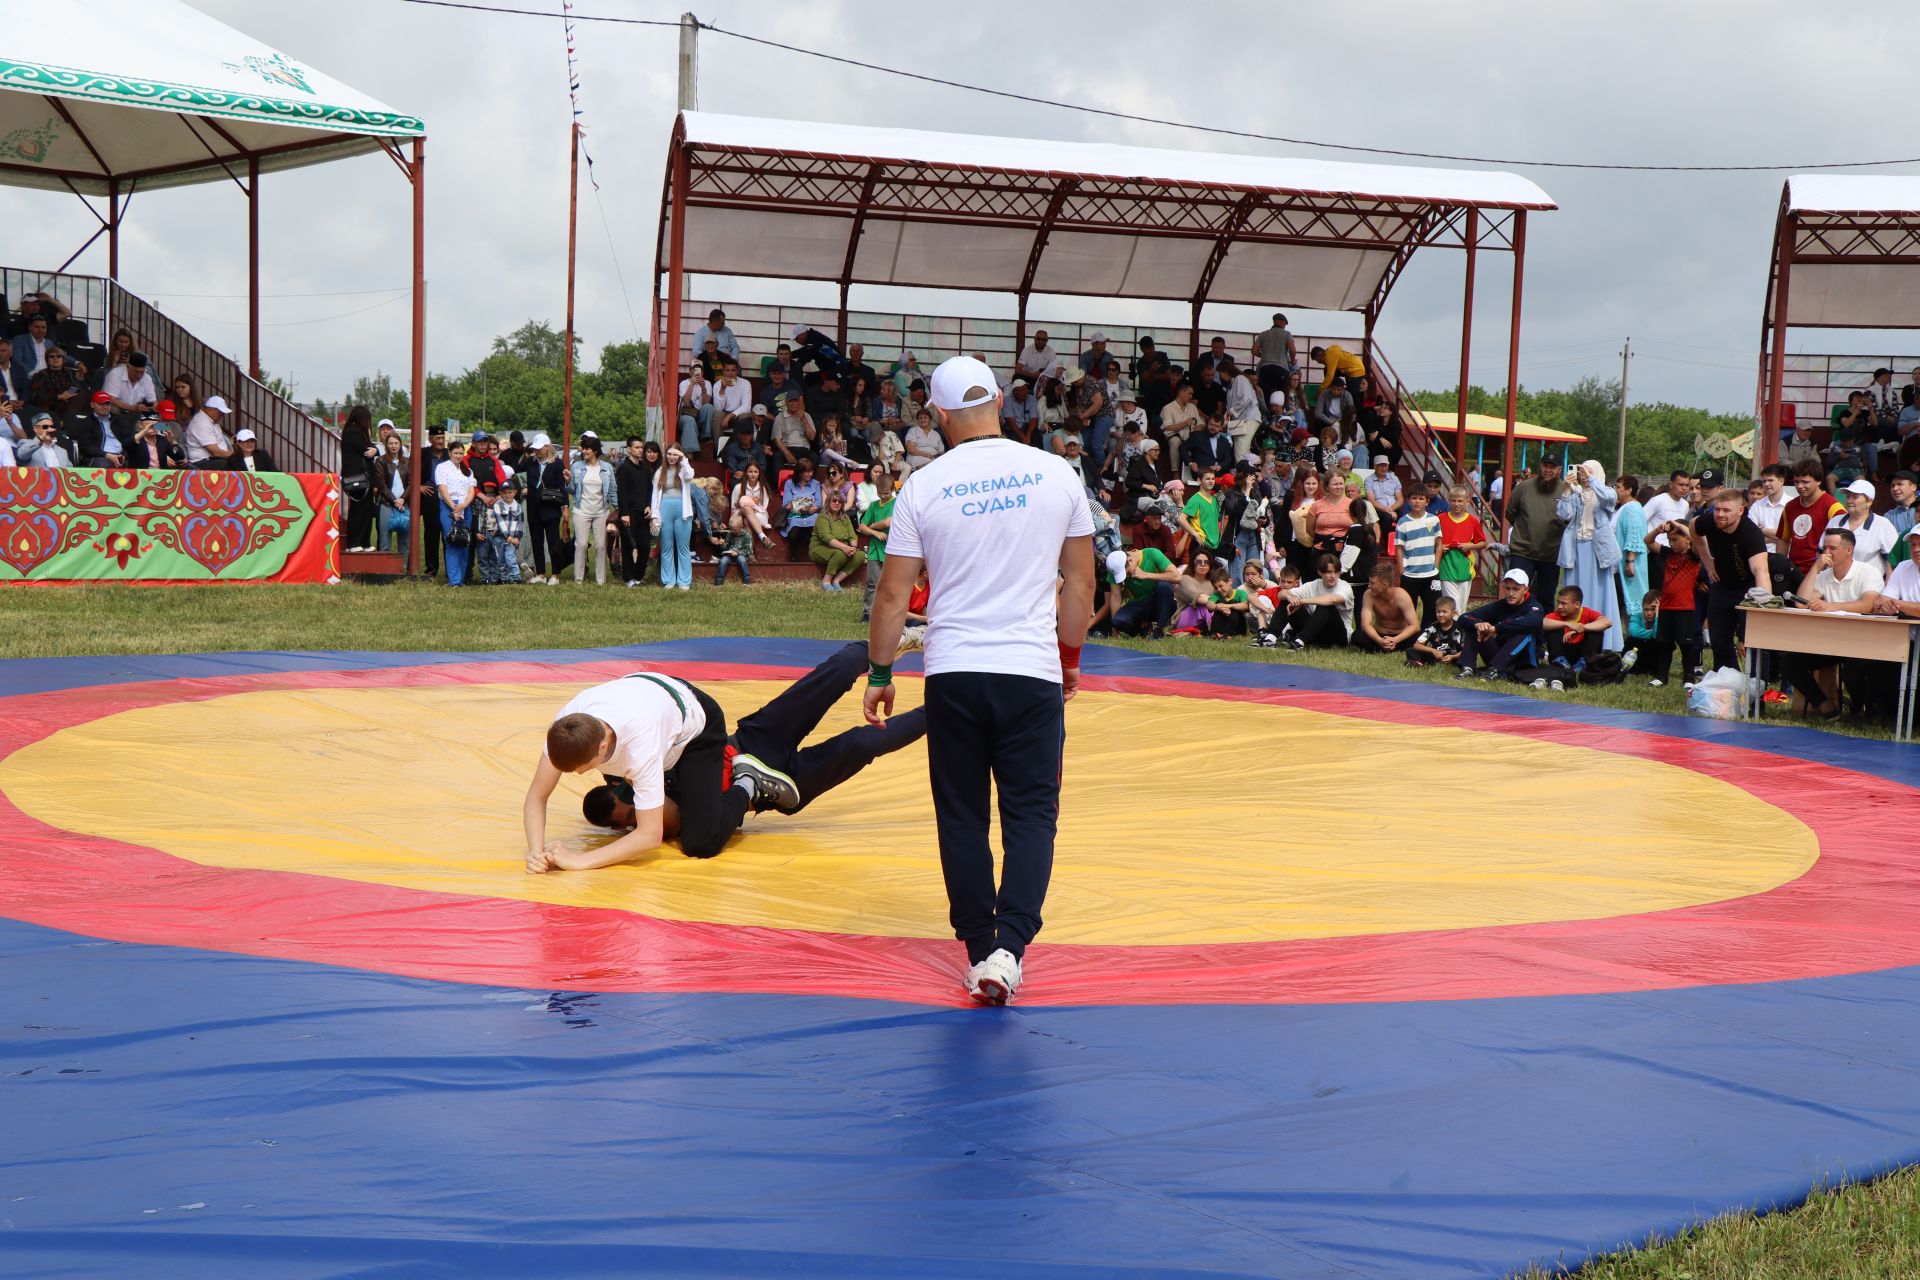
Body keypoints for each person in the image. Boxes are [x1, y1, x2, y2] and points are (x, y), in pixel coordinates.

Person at [865, 355, 1095, 1007]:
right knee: (1031, 816)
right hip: (1029, 672)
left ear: (937, 417)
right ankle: (1008, 950)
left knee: (961, 816)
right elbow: (1080, 581)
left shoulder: (925, 486)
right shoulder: (1056, 474)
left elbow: (892, 595)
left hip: (956, 671)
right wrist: (1070, 657)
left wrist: (882, 671)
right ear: (999, 397)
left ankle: (978, 945)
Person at [527, 643, 930, 870]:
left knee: (827, 680)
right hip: (776, 783)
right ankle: (942, 709)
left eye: (632, 806)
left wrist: (581, 861)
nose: (641, 815)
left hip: (731, 740)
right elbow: (538, 796)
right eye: (630, 821)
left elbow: (648, 836)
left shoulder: (641, 756)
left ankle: (890, 638)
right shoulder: (575, 733)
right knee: (862, 745)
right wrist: (535, 849)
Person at [1780, 527, 1885, 718]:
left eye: (1832, 548)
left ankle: (1858, 707)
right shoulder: (1823, 576)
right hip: (1830, 641)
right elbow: (1801, 602)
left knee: (1854, 668)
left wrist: (1830, 606)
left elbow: (1868, 604)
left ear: (1849, 550)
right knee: (1790, 661)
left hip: (1863, 642)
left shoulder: (1869, 572)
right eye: (1824, 548)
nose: (1826, 553)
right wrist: (1815, 568)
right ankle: (1825, 706)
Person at [1692, 488, 1773, 673]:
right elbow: (1693, 527)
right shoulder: (1710, 521)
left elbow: (1761, 570)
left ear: (1740, 510)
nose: (1720, 515)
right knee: (1719, 641)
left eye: (1726, 510)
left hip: (1749, 589)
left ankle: (1756, 691)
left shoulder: (1751, 534)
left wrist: (1764, 604)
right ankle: (1728, 682)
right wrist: (1707, 561)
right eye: (1718, 509)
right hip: (1722, 586)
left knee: (1754, 643)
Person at [1554, 459, 1622, 651]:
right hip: (1575, 550)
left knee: (1600, 591)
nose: (1584, 476)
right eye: (1582, 472)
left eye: (1588, 472)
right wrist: (1567, 489)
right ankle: (1571, 636)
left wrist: (1591, 480)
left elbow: (1610, 499)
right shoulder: (1576, 494)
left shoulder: (1605, 493)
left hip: (1597, 550)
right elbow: (1564, 515)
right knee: (1575, 590)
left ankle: (1603, 641)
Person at [1457, 568, 1547, 680]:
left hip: (1525, 661)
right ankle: (1467, 668)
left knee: (1524, 632)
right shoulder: (1500, 605)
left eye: (1515, 589)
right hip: (1500, 657)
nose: (1510, 593)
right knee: (1476, 627)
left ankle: (1495, 670)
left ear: (1525, 589)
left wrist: (1496, 628)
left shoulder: (1534, 606)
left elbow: (1530, 623)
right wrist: (1478, 624)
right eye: (1507, 588)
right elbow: (1463, 618)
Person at [1505, 454, 1568, 600]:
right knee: (1515, 594)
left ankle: (1542, 622)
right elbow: (1510, 513)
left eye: (1552, 467)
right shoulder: (1523, 487)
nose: (1548, 470)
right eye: (1545, 466)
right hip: (1522, 552)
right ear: (1540, 466)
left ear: (1559, 469)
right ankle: (1515, 622)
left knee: (1546, 596)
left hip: (1551, 554)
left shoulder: (1565, 490)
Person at [1537, 585, 1616, 685]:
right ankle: (1560, 661)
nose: (1559, 606)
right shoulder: (1557, 614)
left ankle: (1584, 663)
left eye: (1564, 603)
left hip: (1581, 653)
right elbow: (1542, 623)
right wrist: (1567, 624)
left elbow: (1607, 622)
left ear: (1577, 604)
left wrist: (1581, 629)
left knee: (1596, 630)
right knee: (1553, 627)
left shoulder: (1587, 612)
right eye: (1558, 602)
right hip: (1564, 651)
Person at [568, 433, 618, 587]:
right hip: (581, 510)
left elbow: (612, 491)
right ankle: (578, 579)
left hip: (601, 512)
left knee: (601, 545)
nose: (584, 451)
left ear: (595, 451)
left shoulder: (607, 468)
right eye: (583, 449)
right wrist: (566, 481)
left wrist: (618, 510)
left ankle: (601, 580)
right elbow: (571, 490)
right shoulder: (576, 467)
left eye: (587, 449)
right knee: (581, 544)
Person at [1825, 478, 1899, 579]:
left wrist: (1888, 590)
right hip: (1834, 582)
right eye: (1848, 496)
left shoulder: (1882, 524)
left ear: (1869, 501)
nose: (1849, 500)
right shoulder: (1835, 521)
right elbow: (1821, 552)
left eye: (1855, 497)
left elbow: (1892, 561)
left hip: (1869, 586)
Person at [1278, 553, 1355, 649]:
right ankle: (1270, 637)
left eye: (1336, 572)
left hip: (1338, 637)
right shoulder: (1312, 585)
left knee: (1326, 606)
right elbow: (1281, 594)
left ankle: (1300, 640)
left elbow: (1332, 599)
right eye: (1328, 572)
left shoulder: (1345, 586)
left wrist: (1301, 601)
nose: (1333, 576)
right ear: (1320, 572)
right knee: (1288, 601)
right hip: (1316, 633)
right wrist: (1291, 598)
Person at [651, 443, 697, 591]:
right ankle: (669, 580)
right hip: (665, 510)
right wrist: (655, 516)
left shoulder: (684, 469)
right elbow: (655, 496)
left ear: (680, 455)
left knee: (683, 547)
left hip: (683, 511)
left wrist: (684, 459)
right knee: (666, 547)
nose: (672, 457)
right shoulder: (659, 471)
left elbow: (690, 476)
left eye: (675, 454)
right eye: (669, 454)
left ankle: (684, 581)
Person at [1396, 485, 1442, 628]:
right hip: (1410, 574)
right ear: (1409, 501)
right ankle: (1408, 637)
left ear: (1427, 501)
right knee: (1408, 608)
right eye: (1414, 498)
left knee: (1433, 607)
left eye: (1421, 498)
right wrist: (1401, 570)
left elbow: (1439, 544)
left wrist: (1436, 566)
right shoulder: (1403, 522)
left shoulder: (1434, 520)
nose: (1417, 501)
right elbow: (1399, 548)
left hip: (1430, 573)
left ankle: (1427, 636)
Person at [433, 441, 478, 586]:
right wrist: (454, 507)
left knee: (464, 541)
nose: (458, 456)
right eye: (456, 453)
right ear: (450, 453)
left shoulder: (468, 470)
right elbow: (442, 488)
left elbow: (471, 490)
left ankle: (462, 578)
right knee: (452, 541)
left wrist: (464, 505)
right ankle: (454, 580)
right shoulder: (442, 467)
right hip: (448, 506)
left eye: (461, 453)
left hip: (466, 507)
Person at [615, 437, 657, 587]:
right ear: (629, 450)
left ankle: (638, 576)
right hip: (629, 513)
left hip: (643, 513)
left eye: (641, 447)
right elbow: (622, 493)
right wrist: (624, 513)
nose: (640, 450)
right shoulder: (624, 468)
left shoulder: (645, 468)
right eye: (637, 447)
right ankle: (628, 578)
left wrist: (648, 505)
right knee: (628, 546)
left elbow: (649, 489)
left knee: (645, 546)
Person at [857, 466, 897, 622]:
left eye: (886, 494)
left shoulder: (897, 503)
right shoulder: (874, 505)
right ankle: (868, 612)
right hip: (875, 549)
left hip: (891, 550)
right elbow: (862, 527)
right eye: (880, 494)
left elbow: (888, 522)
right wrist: (874, 532)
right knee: (872, 582)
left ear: (892, 489)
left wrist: (872, 526)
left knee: (890, 585)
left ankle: (888, 613)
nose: (883, 496)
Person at [1354, 564, 1419, 653]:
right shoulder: (1368, 595)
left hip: (1400, 636)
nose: (1369, 586)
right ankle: (1386, 647)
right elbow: (1365, 624)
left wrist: (1395, 640)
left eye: (1372, 583)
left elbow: (1415, 626)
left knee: (1418, 637)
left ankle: (1385, 648)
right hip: (1379, 635)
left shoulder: (1402, 596)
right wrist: (1380, 640)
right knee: (1357, 636)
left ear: (1385, 584)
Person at [338, 406, 379, 550]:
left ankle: (364, 543)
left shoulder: (353, 432)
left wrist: (375, 449)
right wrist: (374, 450)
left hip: (362, 478)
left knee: (366, 510)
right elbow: (367, 450)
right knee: (359, 511)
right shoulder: (353, 432)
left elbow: (372, 449)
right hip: (358, 478)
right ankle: (355, 543)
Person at [1612, 473, 1648, 622]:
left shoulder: (1631, 509)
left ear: (1628, 490)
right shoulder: (1622, 507)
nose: (1615, 490)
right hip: (1619, 562)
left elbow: (1634, 536)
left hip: (1628, 563)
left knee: (1630, 598)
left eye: (1618, 487)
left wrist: (1630, 561)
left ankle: (1636, 633)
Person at [809, 489, 861, 591]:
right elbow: (826, 537)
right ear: (829, 502)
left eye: (840, 501)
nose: (837, 503)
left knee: (860, 555)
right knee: (841, 553)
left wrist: (853, 548)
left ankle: (836, 581)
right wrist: (845, 548)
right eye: (834, 500)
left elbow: (852, 535)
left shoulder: (845, 517)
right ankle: (826, 581)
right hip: (819, 549)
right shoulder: (822, 517)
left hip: (841, 549)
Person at [370, 431, 410, 553]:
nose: (393, 446)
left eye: (396, 443)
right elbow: (382, 485)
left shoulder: (408, 461)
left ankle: (402, 569)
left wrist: (402, 499)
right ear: (386, 445)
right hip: (386, 503)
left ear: (400, 444)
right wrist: (394, 500)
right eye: (390, 443)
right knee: (384, 541)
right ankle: (385, 571)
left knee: (404, 542)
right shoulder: (381, 461)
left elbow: (411, 483)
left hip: (404, 504)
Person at [780, 456, 823, 562]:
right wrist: (807, 502)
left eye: (811, 471)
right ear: (799, 472)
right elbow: (786, 505)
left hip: (812, 515)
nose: (810, 474)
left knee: (816, 523)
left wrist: (798, 503)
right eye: (807, 472)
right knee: (794, 527)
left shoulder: (816, 483)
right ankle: (794, 555)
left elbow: (818, 503)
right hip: (795, 516)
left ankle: (815, 555)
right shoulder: (789, 484)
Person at [1406, 594, 1467, 669]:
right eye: (1438, 612)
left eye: (1444, 612)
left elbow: (1466, 650)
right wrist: (1433, 651)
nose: (1440, 614)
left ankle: (1417, 663)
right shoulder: (1433, 627)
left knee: (1466, 656)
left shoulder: (1460, 628)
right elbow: (1417, 645)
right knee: (1411, 650)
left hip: (1453, 657)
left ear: (1453, 613)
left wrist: (1453, 657)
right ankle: (1420, 665)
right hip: (1436, 656)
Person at [732, 459, 775, 547]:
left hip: (759, 514)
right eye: (750, 471)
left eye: (756, 472)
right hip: (739, 514)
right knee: (747, 508)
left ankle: (750, 553)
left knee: (747, 519)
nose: (753, 474)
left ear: (759, 474)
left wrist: (752, 509)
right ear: (746, 473)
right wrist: (750, 501)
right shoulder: (738, 487)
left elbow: (763, 507)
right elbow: (733, 507)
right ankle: (763, 537)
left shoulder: (763, 488)